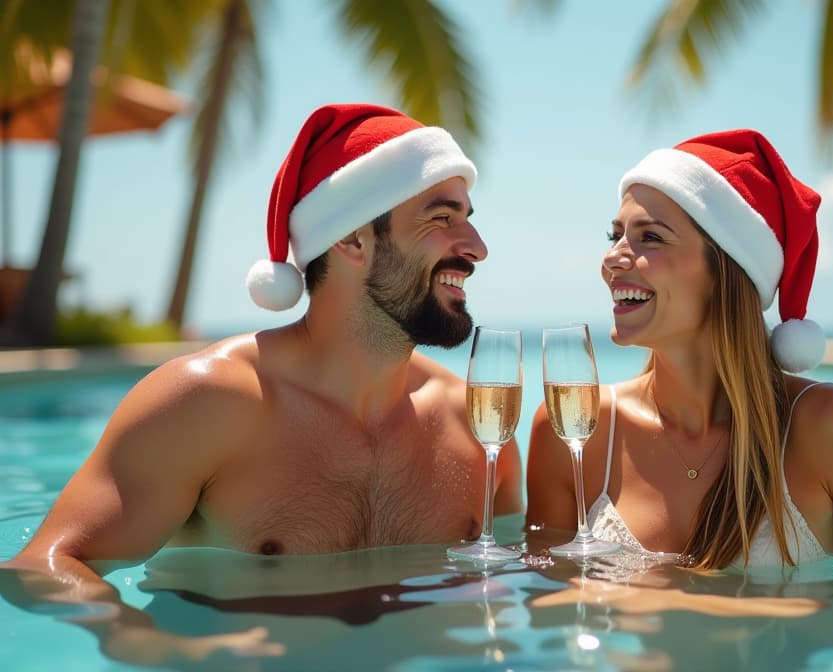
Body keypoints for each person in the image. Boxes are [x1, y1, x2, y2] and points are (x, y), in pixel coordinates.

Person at [2, 103, 521, 663]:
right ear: (351, 240)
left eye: (467, 216)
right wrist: (160, 647)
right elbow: (42, 567)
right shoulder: (211, 403)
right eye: (441, 218)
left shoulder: (474, 422)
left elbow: (526, 571)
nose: (476, 245)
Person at [526, 129, 833, 569]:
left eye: (650, 237)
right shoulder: (573, 431)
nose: (612, 259)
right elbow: (550, 610)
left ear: (726, 270)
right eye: (615, 236)